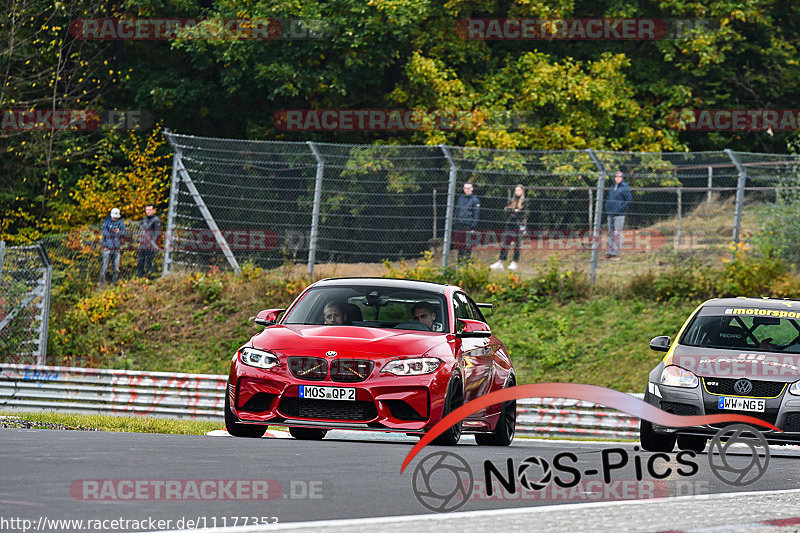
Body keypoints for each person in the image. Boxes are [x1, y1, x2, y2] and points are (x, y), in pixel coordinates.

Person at [490, 184, 527, 271]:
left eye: (519, 190)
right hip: (510, 224)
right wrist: (515, 211)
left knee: (517, 244)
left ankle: (514, 262)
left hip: (519, 225)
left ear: (522, 191)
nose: (517, 192)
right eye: (516, 190)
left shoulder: (525, 201)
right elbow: (506, 210)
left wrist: (514, 211)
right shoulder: (512, 200)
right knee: (506, 243)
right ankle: (500, 262)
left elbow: (523, 213)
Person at [604, 170, 632, 260]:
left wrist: (621, 208)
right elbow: (608, 198)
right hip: (610, 213)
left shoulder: (625, 187)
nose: (618, 178)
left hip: (619, 214)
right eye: (616, 176)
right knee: (610, 232)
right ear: (614, 178)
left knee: (617, 233)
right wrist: (607, 207)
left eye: (620, 177)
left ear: (622, 178)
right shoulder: (612, 187)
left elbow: (628, 200)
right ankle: (609, 252)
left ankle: (616, 253)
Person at [453, 182, 480, 262]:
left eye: (468, 188)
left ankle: (468, 262)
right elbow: (457, 211)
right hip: (459, 225)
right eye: (465, 188)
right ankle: (460, 262)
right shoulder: (460, 198)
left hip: (469, 225)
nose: (466, 190)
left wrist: (473, 225)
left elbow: (476, 214)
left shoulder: (475, 200)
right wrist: (455, 222)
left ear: (472, 189)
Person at [98, 207, 125, 285]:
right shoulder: (106, 223)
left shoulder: (120, 223)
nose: (115, 218)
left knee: (116, 267)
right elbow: (105, 234)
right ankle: (101, 283)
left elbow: (123, 233)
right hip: (107, 248)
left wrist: (118, 232)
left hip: (116, 248)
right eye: (114, 217)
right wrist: (114, 232)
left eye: (116, 217)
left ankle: (114, 282)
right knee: (105, 266)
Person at [136, 204, 161, 278]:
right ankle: (140, 278)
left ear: (153, 210)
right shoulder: (145, 219)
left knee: (148, 263)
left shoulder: (156, 220)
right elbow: (143, 231)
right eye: (147, 210)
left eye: (150, 210)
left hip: (150, 245)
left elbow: (158, 234)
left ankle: (149, 278)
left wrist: (152, 243)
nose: (148, 211)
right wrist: (140, 241)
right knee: (140, 262)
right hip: (143, 244)